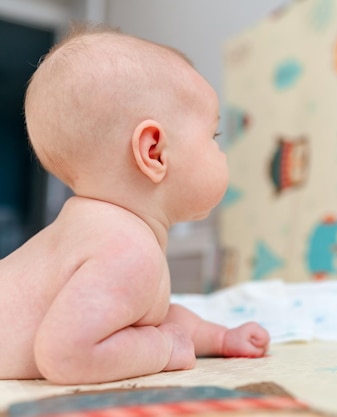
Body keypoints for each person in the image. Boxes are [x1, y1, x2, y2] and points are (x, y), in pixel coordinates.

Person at [0, 23, 270, 385]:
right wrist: (163, 349)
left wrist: (218, 337)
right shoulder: (127, 251)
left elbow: (147, 317)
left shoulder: (109, 235)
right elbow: (65, 355)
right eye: (213, 135)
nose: (221, 151)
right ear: (154, 152)